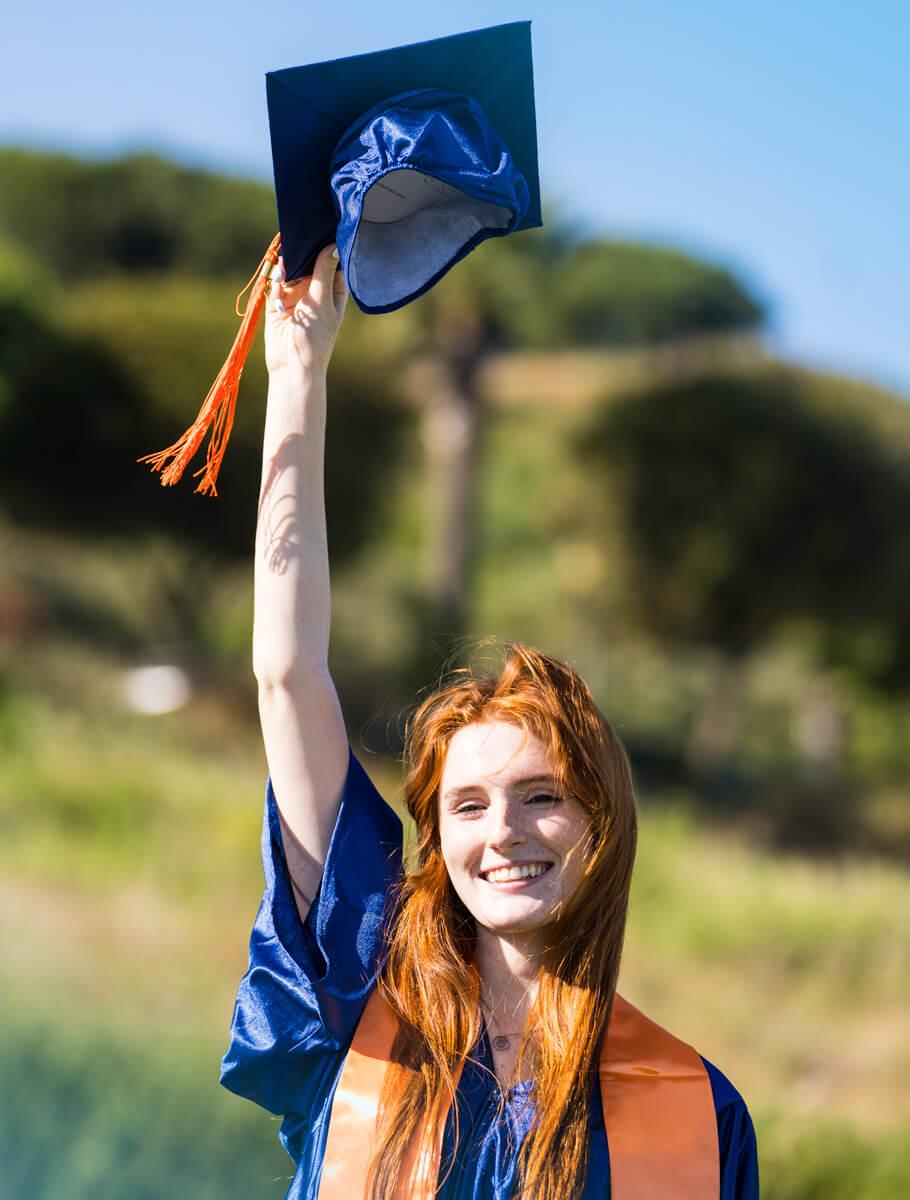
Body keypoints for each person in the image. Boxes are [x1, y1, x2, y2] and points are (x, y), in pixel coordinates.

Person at [219, 244, 761, 1199]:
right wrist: (299, 373)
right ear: (438, 838)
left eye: (541, 796)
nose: (502, 830)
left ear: (601, 821)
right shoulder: (360, 1006)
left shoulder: (694, 1112)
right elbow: (287, 675)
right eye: (467, 805)